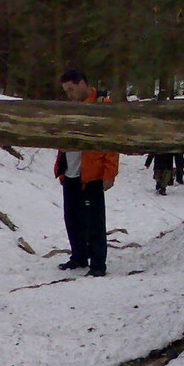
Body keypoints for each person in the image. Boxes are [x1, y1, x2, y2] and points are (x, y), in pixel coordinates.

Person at [53, 69, 119, 277]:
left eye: (71, 89)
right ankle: (78, 256)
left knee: (94, 221)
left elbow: (111, 141)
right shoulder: (69, 108)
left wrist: (110, 172)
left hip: (93, 173)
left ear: (82, 83)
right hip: (70, 172)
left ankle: (98, 263)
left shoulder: (101, 105)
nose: (69, 94)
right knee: (72, 219)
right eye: (66, 91)